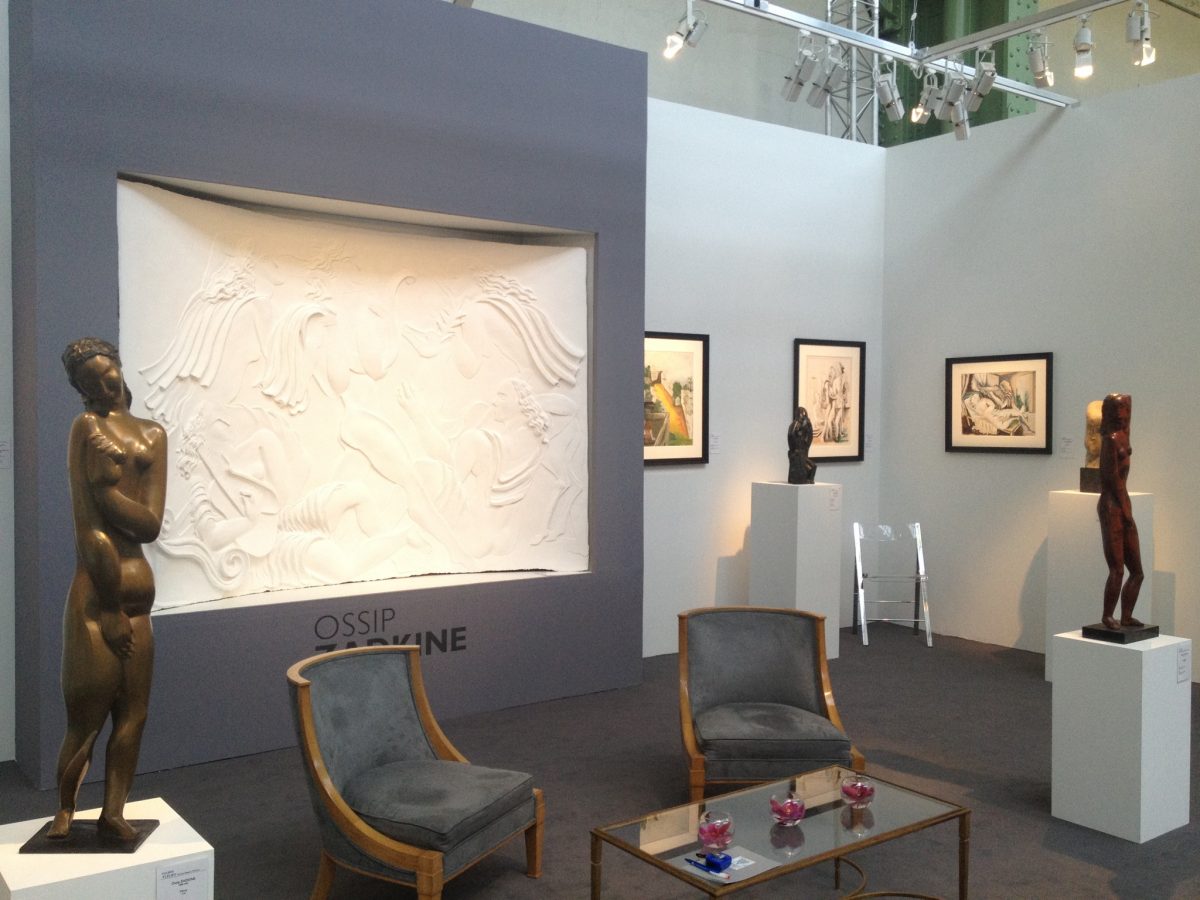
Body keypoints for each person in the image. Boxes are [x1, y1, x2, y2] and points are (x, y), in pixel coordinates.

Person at [49, 338, 167, 841]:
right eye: (90, 381)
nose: (105, 384)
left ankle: (114, 811)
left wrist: (107, 490)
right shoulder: (87, 429)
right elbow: (89, 530)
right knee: (86, 718)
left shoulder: (152, 435)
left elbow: (149, 525)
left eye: (107, 371)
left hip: (139, 597)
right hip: (98, 599)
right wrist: (112, 609)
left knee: (133, 715)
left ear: (118, 367)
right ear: (81, 390)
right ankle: (65, 811)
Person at [1097, 392, 1143, 630]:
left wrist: (1127, 511)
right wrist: (1125, 512)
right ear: (1111, 412)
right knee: (1117, 569)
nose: (1124, 412)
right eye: (1119, 408)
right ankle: (1108, 615)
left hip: (1124, 504)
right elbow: (1111, 479)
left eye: (1126, 407)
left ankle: (1126, 616)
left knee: (1137, 571)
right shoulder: (1111, 440)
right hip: (1111, 506)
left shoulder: (1124, 435)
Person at [787, 406, 817, 485]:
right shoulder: (795, 424)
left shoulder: (802, 425)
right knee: (810, 467)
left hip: (800, 452)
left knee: (813, 467)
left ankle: (808, 480)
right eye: (801, 415)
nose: (802, 417)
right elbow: (791, 435)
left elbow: (808, 438)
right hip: (797, 453)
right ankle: (804, 479)